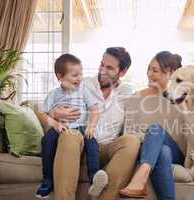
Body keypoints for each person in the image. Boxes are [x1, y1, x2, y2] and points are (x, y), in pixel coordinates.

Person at [48, 47, 141, 200]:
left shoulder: (128, 91)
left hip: (107, 148)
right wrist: (55, 113)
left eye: (109, 68)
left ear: (122, 72)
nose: (102, 70)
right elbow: (53, 103)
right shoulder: (83, 84)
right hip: (81, 145)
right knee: (70, 135)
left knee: (132, 141)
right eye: (101, 64)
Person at [35, 54, 104, 198]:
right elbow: (42, 113)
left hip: (81, 128)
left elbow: (95, 110)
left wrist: (91, 126)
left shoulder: (84, 90)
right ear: (60, 76)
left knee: (93, 145)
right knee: (46, 141)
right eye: (75, 75)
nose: (79, 78)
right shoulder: (54, 94)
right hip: (61, 127)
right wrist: (54, 123)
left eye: (81, 74)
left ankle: (94, 178)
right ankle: (47, 180)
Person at [120, 51, 185, 200]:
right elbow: (129, 135)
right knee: (162, 151)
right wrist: (150, 138)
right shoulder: (135, 98)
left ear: (172, 72)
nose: (149, 73)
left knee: (157, 133)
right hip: (145, 151)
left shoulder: (182, 98)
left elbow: (185, 137)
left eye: (154, 70)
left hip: (176, 153)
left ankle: (140, 178)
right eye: (148, 69)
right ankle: (142, 176)